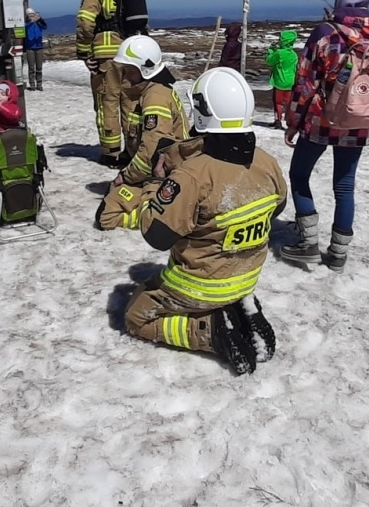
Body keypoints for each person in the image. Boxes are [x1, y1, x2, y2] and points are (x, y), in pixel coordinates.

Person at [120, 66, 288, 375]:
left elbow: (156, 235)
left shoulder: (192, 175)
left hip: (197, 286)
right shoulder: (267, 163)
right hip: (245, 276)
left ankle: (208, 331)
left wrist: (156, 185)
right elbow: (277, 208)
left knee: (135, 316)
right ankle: (239, 305)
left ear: (201, 112)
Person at [278, 0, 369, 272]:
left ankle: (308, 243)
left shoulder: (326, 33)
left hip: (320, 119)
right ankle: (338, 254)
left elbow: (305, 82)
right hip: (360, 117)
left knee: (300, 175)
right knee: (345, 185)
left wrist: (293, 122)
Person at [96, 35, 186, 230]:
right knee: (109, 203)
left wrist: (126, 177)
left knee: (106, 216)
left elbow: (151, 151)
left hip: (165, 174)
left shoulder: (155, 97)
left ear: (144, 69)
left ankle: (153, 217)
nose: (126, 77)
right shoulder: (151, 92)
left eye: (129, 71)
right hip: (159, 171)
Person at [76, 0, 128, 165]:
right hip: (130, 51)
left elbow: (86, 21)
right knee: (129, 101)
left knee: (107, 102)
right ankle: (135, 150)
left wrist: (85, 52)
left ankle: (112, 152)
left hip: (105, 53)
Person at [264, 30, 299, 127]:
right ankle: (290, 122)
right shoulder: (294, 54)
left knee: (278, 103)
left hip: (279, 81)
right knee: (288, 104)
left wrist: (271, 50)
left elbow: (269, 61)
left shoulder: (279, 53)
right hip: (290, 82)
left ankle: (278, 121)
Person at [23, 9, 47, 90]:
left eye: (33, 14)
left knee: (39, 67)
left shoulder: (38, 23)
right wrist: (31, 22)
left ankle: (39, 84)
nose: (31, 16)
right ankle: (32, 84)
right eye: (30, 15)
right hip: (30, 48)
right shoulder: (26, 23)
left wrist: (40, 19)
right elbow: (24, 28)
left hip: (39, 47)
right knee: (31, 67)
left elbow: (45, 26)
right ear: (27, 16)